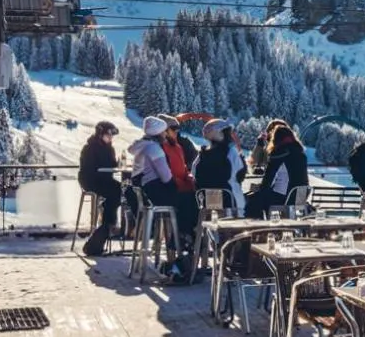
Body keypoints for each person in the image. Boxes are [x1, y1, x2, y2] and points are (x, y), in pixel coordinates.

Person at [127, 116, 198, 279]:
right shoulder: (155, 150)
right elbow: (167, 178)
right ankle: (182, 241)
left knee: (185, 201)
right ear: (159, 133)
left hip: (145, 194)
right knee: (189, 202)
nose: (166, 135)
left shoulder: (142, 147)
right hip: (155, 194)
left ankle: (180, 240)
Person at [76, 121, 121, 256]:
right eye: (108, 134)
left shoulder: (109, 149)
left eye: (112, 135)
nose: (110, 138)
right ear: (100, 133)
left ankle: (106, 225)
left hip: (105, 180)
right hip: (91, 181)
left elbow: (112, 165)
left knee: (121, 191)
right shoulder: (89, 148)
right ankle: (108, 225)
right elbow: (90, 169)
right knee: (115, 194)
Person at [246, 123, 309, 218]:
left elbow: (268, 180)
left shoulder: (279, 153)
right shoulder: (301, 153)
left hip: (284, 197)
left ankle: (258, 228)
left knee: (253, 200)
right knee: (263, 197)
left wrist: (258, 188)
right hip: (300, 197)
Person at [192, 118, 247, 215]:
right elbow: (240, 173)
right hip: (231, 201)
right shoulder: (230, 152)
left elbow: (194, 174)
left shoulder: (202, 155)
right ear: (220, 134)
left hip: (207, 204)